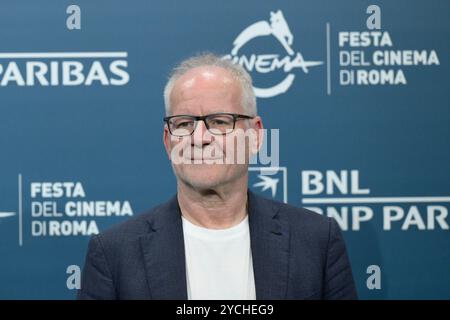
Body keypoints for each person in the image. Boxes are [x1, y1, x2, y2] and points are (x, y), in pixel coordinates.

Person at [77, 53, 358, 300]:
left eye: (219, 122)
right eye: (184, 124)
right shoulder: (114, 253)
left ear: (256, 135)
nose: (200, 138)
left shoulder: (317, 241)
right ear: (167, 141)